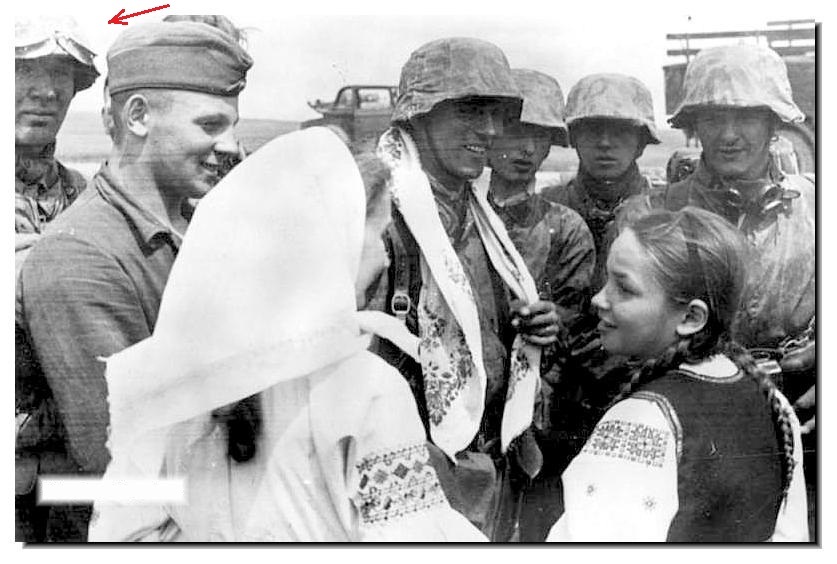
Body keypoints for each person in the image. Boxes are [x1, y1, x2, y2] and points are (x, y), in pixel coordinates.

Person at [88, 127, 485, 542]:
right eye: (376, 234)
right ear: (330, 241)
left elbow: (122, 537)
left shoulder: (170, 378)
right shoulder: (367, 389)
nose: (385, 256)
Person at [18, 19, 252, 542]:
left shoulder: (200, 229)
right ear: (138, 116)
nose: (231, 146)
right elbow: (122, 464)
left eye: (233, 126)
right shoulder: (81, 258)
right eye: (211, 125)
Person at [371, 38, 560, 541]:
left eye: (498, 114)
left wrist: (534, 327)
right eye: (471, 112)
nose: (492, 130)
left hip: (483, 468)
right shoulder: (377, 218)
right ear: (419, 115)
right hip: (406, 474)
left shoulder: (481, 220)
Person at [547, 207, 808, 542]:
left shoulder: (641, 420)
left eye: (624, 289)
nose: (599, 299)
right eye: (606, 281)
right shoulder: (770, 401)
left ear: (691, 318)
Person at [663, 45, 815, 536]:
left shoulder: (816, 206)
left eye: (748, 116)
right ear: (694, 126)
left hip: (807, 422)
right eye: (712, 118)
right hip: (697, 433)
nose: (729, 135)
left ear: (775, 124)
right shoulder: (655, 215)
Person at [476, 68, 596, 540]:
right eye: (514, 131)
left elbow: (580, 324)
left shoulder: (565, 230)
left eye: (540, 137)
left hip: (540, 416)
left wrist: (554, 325)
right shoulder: (451, 219)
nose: (526, 149)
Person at [14, 15, 100, 543]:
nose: (45, 90)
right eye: (25, 70)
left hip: (68, 462)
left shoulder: (87, 196)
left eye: (62, 76)